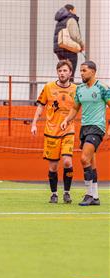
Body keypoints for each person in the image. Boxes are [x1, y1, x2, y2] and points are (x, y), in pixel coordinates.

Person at [61, 61, 110, 206]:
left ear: (93, 72)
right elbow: (75, 108)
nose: (81, 73)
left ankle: (88, 194)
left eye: (84, 71)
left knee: (83, 159)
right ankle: (95, 197)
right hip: (85, 128)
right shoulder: (80, 89)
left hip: (97, 127)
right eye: (80, 71)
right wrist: (66, 120)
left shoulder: (103, 88)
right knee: (91, 162)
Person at [31, 60, 76, 204]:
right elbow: (40, 107)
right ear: (57, 72)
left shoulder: (76, 89)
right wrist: (34, 124)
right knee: (53, 166)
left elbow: (82, 106)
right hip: (51, 131)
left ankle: (67, 193)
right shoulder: (48, 87)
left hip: (68, 130)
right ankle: (54, 193)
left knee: (68, 162)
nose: (62, 73)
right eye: (60, 71)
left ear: (70, 72)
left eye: (65, 71)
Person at [53, 4, 85, 81]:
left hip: (60, 49)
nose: (75, 12)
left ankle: (62, 88)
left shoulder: (60, 20)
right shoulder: (71, 19)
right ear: (71, 10)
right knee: (70, 72)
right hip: (69, 49)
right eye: (75, 10)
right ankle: (69, 90)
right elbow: (75, 35)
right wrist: (81, 45)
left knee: (63, 71)